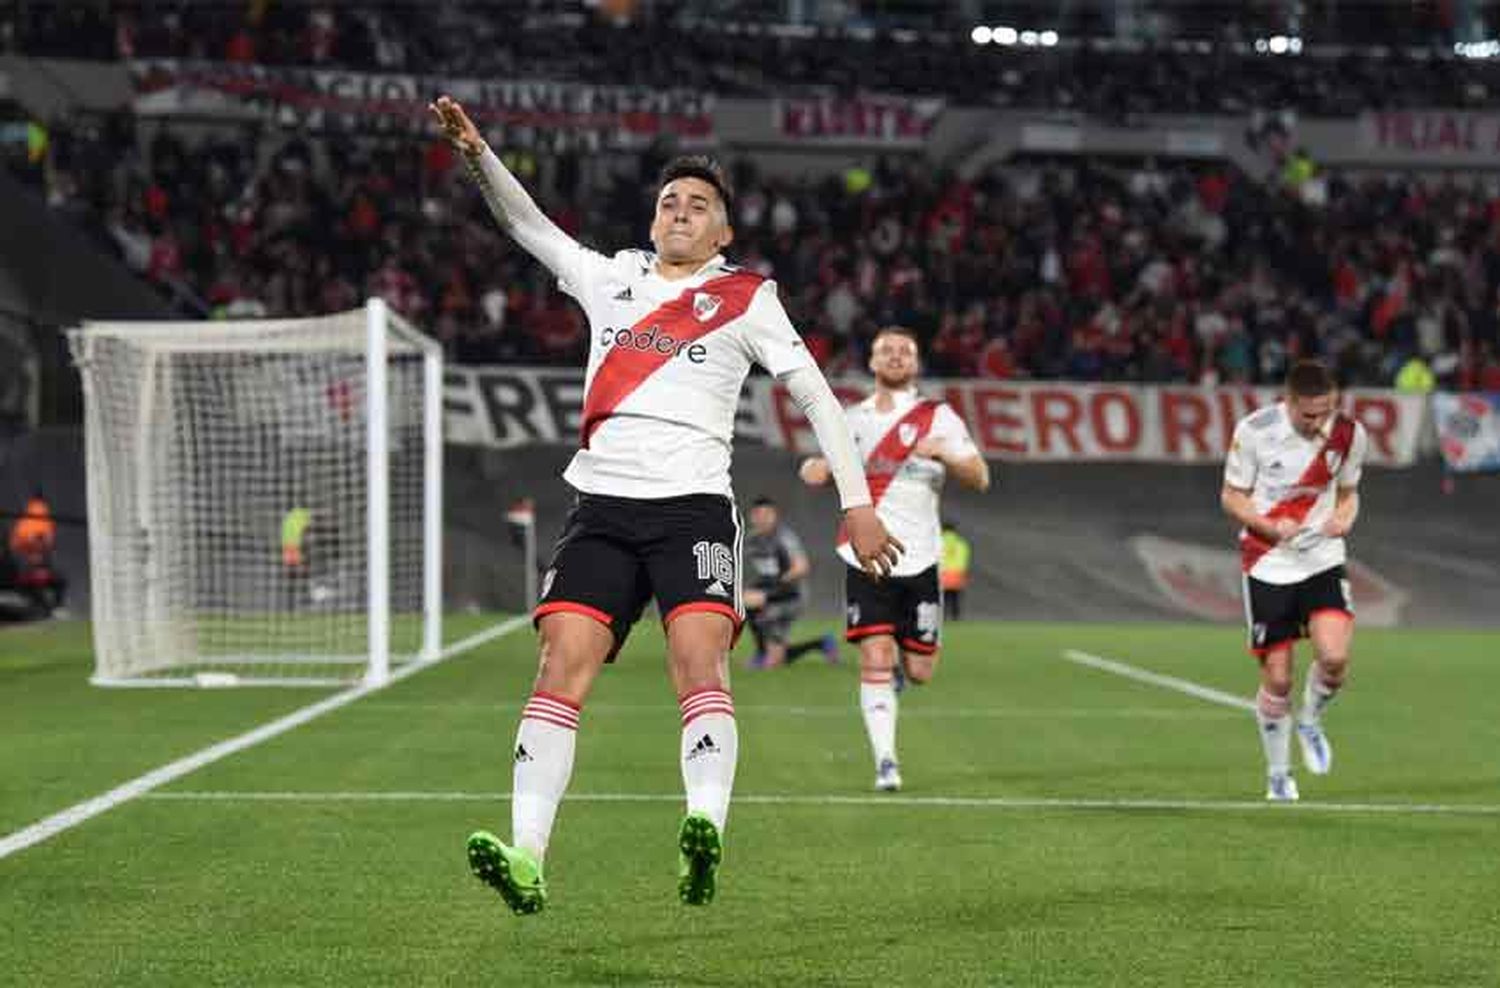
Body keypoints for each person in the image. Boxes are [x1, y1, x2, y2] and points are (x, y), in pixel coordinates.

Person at [430, 95, 901, 914]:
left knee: (698, 667)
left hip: (691, 510)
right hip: (601, 509)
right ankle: (528, 857)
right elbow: (529, 224)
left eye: (699, 207)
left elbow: (818, 397)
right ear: (653, 222)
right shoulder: (609, 277)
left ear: (722, 234)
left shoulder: (749, 296)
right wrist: (478, 154)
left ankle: (703, 831)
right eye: (669, 203)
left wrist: (856, 504)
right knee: (557, 668)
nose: (680, 213)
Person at [799, 326, 990, 791]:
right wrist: (818, 470)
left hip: (922, 558)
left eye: (906, 350)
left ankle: (896, 685)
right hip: (868, 555)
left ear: (918, 363)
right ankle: (886, 762)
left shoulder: (938, 418)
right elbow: (811, 468)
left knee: (920, 671)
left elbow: (980, 476)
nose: (897, 356)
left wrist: (945, 453)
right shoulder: (852, 418)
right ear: (871, 362)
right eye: (887, 350)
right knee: (876, 656)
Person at [1221, 358, 1368, 802]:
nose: (1319, 421)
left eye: (1326, 411)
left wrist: (1344, 517)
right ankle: (1279, 774)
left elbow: (1348, 493)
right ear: (1288, 402)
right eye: (1309, 414)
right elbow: (1231, 497)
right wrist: (1268, 526)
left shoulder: (1348, 434)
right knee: (1279, 679)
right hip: (1268, 562)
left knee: (1335, 658)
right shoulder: (1255, 431)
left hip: (1321, 557)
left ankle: (1310, 719)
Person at [742, 495, 836, 669]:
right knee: (747, 600)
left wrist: (770, 590)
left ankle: (764, 654)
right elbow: (764, 571)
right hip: (772, 592)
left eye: (767, 514)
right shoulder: (751, 540)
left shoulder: (784, 538)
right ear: (752, 517)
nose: (763, 519)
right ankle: (822, 643)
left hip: (791, 595)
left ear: (775, 515)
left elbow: (802, 567)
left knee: (774, 661)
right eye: (758, 514)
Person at [6, 490, 66, 616]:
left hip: (30, 568)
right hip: (31, 569)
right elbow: (45, 539)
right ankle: (53, 608)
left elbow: (15, 543)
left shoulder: (26, 519)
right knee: (55, 582)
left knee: (53, 581)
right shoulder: (40, 516)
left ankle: (47, 608)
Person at [939, 519, 971, 621]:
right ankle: (955, 618)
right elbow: (964, 559)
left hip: (942, 574)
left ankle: (942, 618)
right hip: (957, 574)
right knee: (955, 599)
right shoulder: (961, 543)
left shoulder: (938, 542)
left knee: (942, 599)